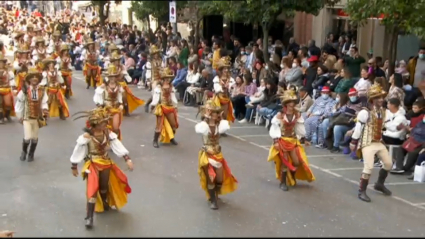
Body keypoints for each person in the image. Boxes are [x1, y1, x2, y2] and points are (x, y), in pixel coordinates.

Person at [70, 107, 133, 229]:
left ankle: (105, 203)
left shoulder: (108, 134)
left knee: (104, 187)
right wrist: (74, 166)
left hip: (106, 163)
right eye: (103, 123)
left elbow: (117, 145)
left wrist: (127, 159)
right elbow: (78, 150)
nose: (106, 124)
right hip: (92, 164)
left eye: (105, 122)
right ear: (95, 124)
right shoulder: (86, 136)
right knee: (92, 190)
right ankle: (89, 217)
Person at [350, 82, 393, 202]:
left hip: (379, 142)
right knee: (368, 167)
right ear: (372, 99)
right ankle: (361, 191)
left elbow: (385, 126)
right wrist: (353, 141)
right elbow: (358, 128)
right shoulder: (365, 112)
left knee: (388, 164)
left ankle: (379, 184)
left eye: (381, 97)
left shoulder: (383, 112)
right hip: (368, 143)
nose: (381, 99)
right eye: (378, 97)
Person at [267, 89, 315, 191]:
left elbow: (299, 127)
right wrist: (275, 141)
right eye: (289, 102)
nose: (291, 104)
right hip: (282, 140)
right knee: (284, 162)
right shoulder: (280, 115)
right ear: (286, 103)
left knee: (297, 162)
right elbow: (274, 127)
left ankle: (292, 176)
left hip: (293, 141)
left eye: (293, 102)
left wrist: (304, 138)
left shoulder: (297, 114)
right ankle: (283, 182)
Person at [195, 99, 238, 210]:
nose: (214, 116)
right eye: (212, 114)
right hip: (207, 155)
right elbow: (199, 129)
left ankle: (216, 195)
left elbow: (225, 126)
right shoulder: (203, 125)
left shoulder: (220, 125)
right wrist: (206, 118)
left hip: (218, 155)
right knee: (211, 178)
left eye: (216, 114)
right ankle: (213, 200)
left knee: (219, 179)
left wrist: (221, 117)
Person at [15, 67, 49, 162]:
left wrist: (45, 109)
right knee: (27, 137)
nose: (34, 79)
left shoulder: (42, 91)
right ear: (29, 80)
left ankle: (31, 153)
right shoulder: (24, 91)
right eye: (32, 77)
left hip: (37, 118)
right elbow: (19, 103)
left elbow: (44, 102)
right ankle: (24, 151)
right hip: (26, 118)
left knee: (34, 138)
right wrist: (19, 116)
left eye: (36, 77)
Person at [93, 65, 124, 140]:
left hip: (115, 109)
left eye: (114, 77)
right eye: (111, 77)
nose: (112, 78)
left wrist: (121, 104)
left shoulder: (119, 86)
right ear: (108, 78)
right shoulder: (103, 86)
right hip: (106, 109)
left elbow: (120, 96)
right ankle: (105, 141)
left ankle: (115, 142)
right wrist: (100, 105)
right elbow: (98, 96)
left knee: (116, 127)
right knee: (105, 127)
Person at [150, 67, 179, 148]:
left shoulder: (171, 86)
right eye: (166, 78)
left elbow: (173, 97)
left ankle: (171, 138)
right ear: (163, 78)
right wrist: (153, 105)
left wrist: (175, 105)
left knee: (173, 124)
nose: (168, 79)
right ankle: (155, 140)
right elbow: (156, 97)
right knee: (159, 125)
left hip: (170, 107)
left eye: (169, 78)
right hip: (162, 107)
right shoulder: (159, 87)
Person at [109, 52, 144, 116]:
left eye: (118, 60)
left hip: (121, 84)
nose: (117, 62)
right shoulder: (111, 67)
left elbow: (127, 77)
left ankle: (127, 111)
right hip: (113, 84)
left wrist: (126, 76)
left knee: (124, 98)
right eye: (115, 60)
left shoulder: (122, 67)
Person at [212, 56, 235, 128]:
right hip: (218, 99)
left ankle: (223, 129)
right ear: (221, 70)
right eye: (225, 69)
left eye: (227, 68)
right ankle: (216, 127)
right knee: (217, 114)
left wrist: (229, 88)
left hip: (226, 99)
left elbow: (232, 87)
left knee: (225, 114)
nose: (226, 70)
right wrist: (222, 88)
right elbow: (216, 88)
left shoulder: (230, 79)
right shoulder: (217, 78)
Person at [144, 45, 163, 112]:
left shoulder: (161, 61)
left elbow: (163, 69)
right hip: (154, 79)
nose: (156, 55)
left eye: (157, 53)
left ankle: (158, 107)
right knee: (156, 93)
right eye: (154, 54)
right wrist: (148, 81)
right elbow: (148, 72)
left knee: (161, 93)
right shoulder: (150, 63)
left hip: (161, 78)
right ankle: (149, 104)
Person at [0, 53, 16, 124]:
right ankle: (1, 118)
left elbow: (12, 80)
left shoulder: (9, 72)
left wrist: (14, 88)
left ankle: (7, 115)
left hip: (6, 89)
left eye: (1, 63)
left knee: (8, 104)